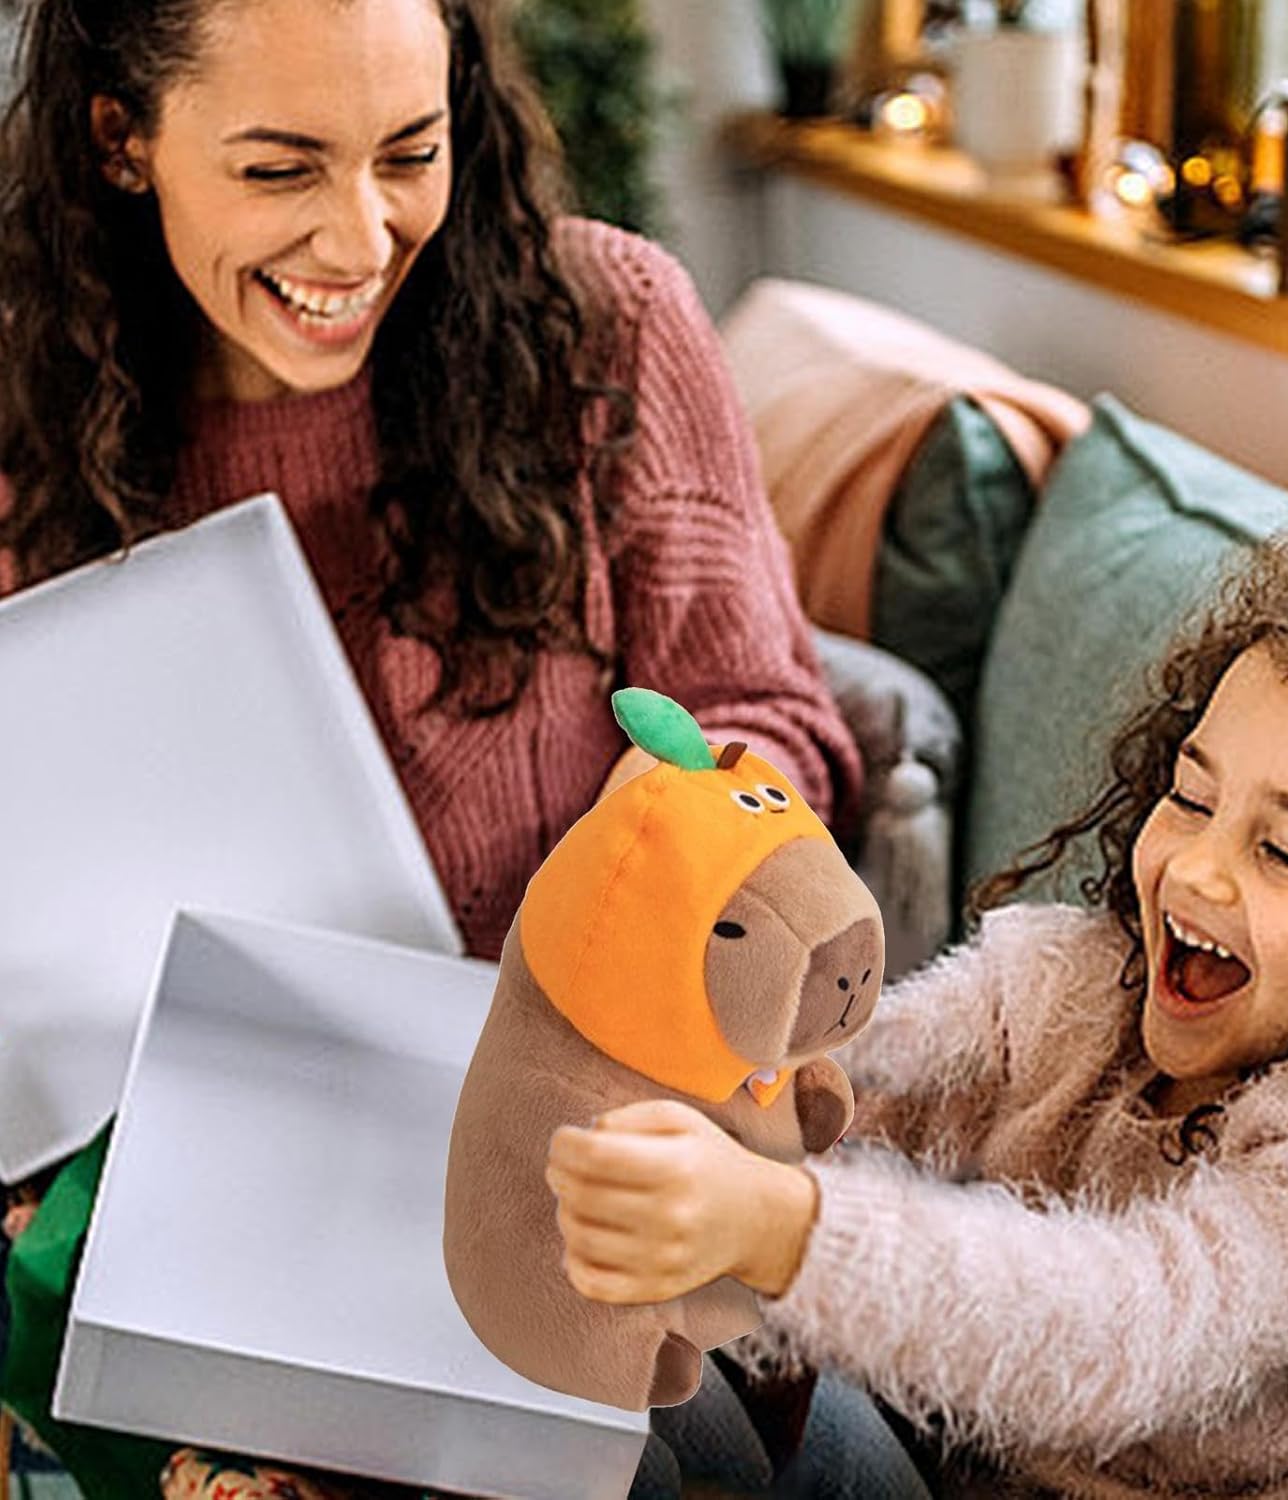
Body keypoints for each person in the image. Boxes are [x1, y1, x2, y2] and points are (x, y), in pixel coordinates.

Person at [0, 0, 859, 1491]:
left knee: (695, 1452)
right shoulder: (23, 402)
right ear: (121, 138)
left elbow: (778, 733)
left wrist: (677, 836)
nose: (360, 238)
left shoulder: (605, 328)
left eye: (410, 153)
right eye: (279, 169)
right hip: (192, 1208)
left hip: (581, 1162)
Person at [549, 521, 1288, 1498]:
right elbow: (860, 1079)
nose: (1195, 868)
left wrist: (783, 1229)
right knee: (618, 1353)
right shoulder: (1078, 983)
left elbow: (1114, 1334)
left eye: (1287, 853)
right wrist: (710, 1076)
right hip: (919, 1460)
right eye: (1190, 797)